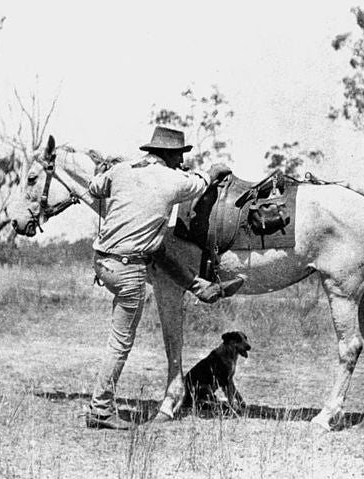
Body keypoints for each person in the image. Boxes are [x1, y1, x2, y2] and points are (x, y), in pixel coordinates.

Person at [84, 126, 245, 430]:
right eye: (179, 156)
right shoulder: (174, 179)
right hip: (128, 270)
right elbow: (202, 182)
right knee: (120, 343)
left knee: (158, 244)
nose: (180, 161)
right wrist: (215, 170)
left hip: (103, 262)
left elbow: (94, 188)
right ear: (172, 155)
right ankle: (100, 408)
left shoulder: (121, 170)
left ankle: (201, 287)